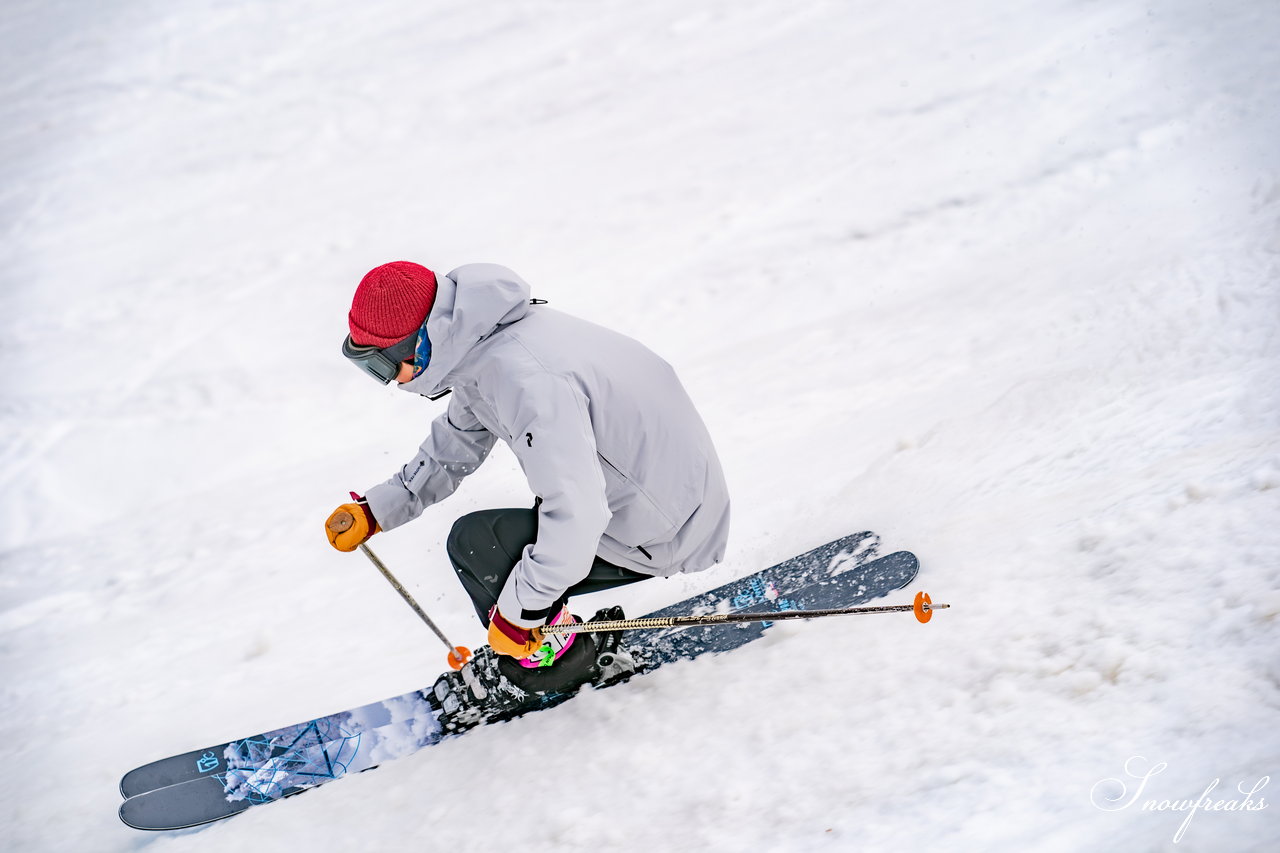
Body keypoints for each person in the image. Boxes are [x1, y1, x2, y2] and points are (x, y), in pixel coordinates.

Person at [325, 261, 730, 695]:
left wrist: (520, 616)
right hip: (671, 502)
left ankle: (553, 662)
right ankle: (543, 633)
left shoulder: (524, 379)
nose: (388, 382)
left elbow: (579, 512)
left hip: (665, 530)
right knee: (515, 541)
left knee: (479, 543)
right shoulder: (490, 347)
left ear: (419, 345)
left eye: (381, 367)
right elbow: (457, 442)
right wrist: (377, 510)